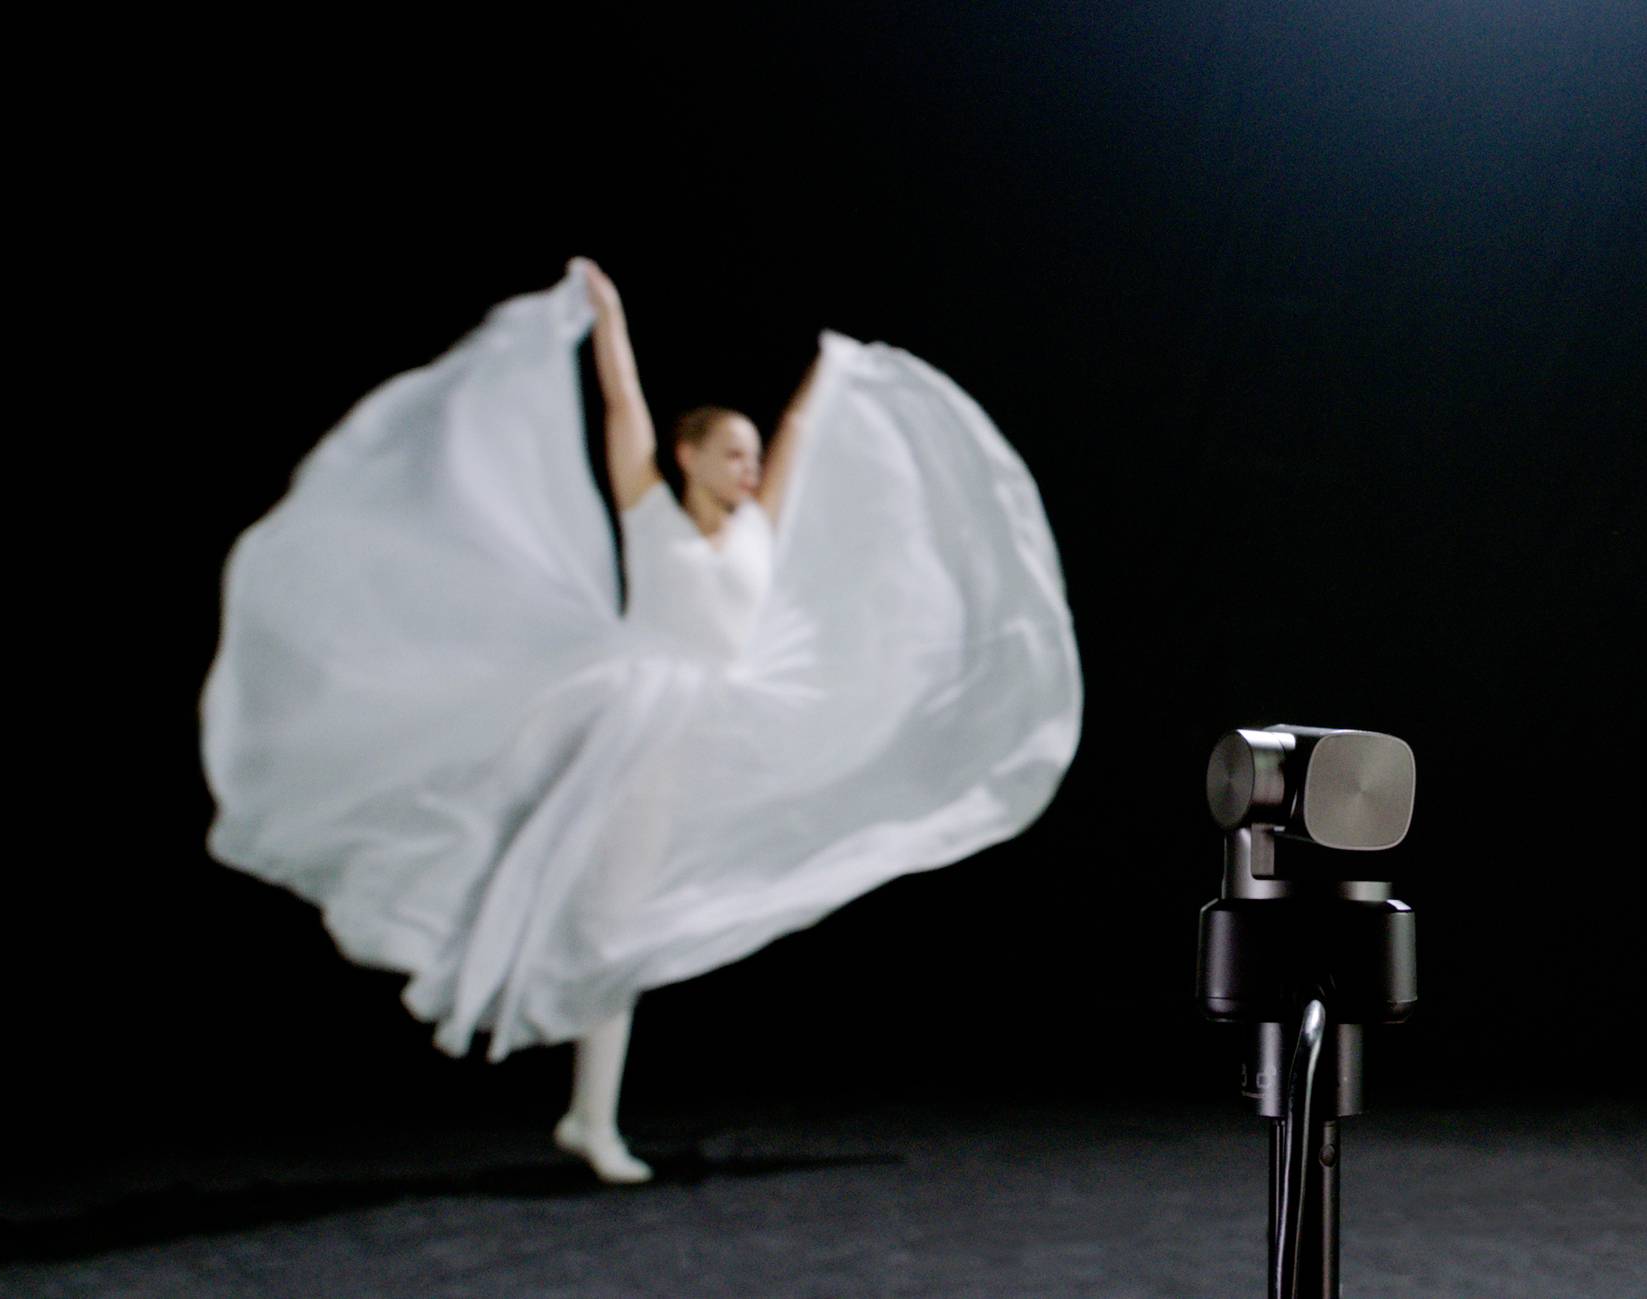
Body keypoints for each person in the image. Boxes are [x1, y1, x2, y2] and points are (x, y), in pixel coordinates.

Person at [199, 258, 1082, 1183]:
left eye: (752, 456)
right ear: (688, 454)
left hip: (719, 730)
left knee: (622, 920)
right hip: (632, 720)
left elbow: (799, 431)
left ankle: (585, 1107)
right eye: (730, 453)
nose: (748, 468)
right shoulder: (651, 512)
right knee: (592, 904)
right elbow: (621, 404)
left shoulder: (758, 524)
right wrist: (608, 317)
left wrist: (835, 366)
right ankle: (570, 1086)